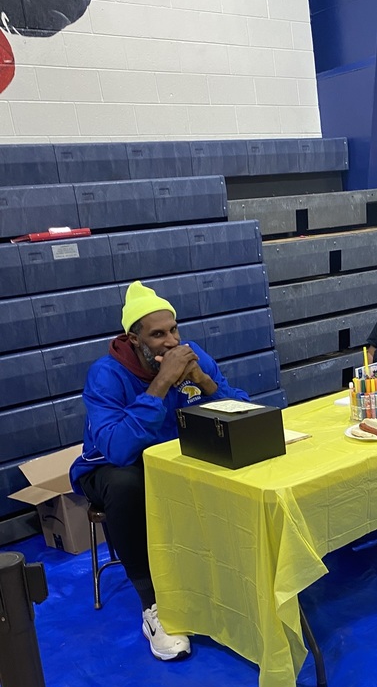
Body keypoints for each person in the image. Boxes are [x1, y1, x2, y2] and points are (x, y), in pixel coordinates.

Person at [70, 281, 250, 661]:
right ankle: (156, 607)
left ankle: (234, 578)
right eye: (157, 335)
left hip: (174, 460)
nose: (170, 342)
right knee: (127, 484)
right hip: (111, 468)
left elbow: (244, 412)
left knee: (236, 459)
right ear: (133, 339)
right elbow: (116, 448)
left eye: (173, 330)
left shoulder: (192, 355)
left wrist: (205, 383)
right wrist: (162, 383)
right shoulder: (106, 374)